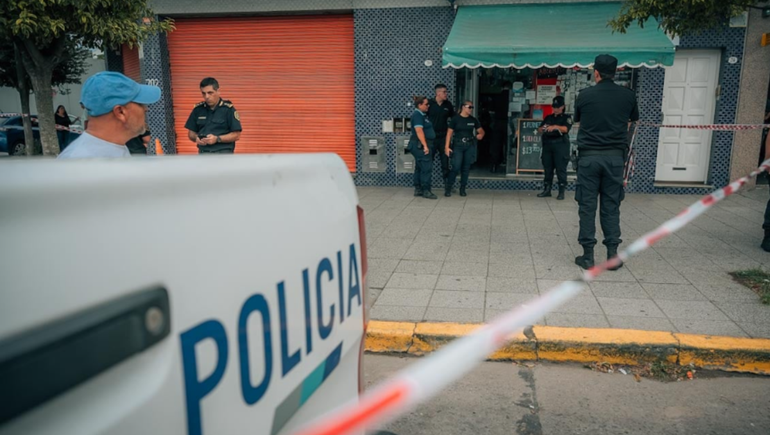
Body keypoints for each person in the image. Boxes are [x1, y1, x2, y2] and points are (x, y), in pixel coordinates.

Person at [573, 54, 639, 270]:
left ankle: (588, 255)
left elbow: (578, 120)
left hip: (589, 158)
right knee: (611, 205)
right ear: (617, 71)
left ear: (596, 73)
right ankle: (612, 255)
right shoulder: (628, 96)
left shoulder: (584, 95)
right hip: (614, 158)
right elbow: (633, 120)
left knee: (587, 205)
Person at [58, 71, 160, 159]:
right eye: (140, 104)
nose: (146, 109)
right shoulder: (82, 162)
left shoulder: (110, 148)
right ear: (120, 112)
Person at [185, 77, 242, 154]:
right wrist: (196, 138)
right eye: (203, 93)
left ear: (218, 91)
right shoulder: (198, 110)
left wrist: (217, 139)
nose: (207, 97)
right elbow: (191, 133)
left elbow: (236, 135)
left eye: (210, 93)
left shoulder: (228, 110)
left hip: (223, 155)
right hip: (204, 154)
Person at [536, 96, 573, 200]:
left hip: (560, 145)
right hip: (548, 145)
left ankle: (561, 192)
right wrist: (544, 128)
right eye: (554, 107)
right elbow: (540, 128)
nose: (555, 109)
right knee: (548, 168)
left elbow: (566, 129)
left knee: (560, 169)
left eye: (557, 107)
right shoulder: (549, 117)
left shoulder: (567, 118)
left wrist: (555, 127)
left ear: (562, 107)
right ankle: (547, 190)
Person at [445, 101, 484, 197]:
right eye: (469, 107)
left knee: (466, 168)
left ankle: (463, 188)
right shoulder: (455, 119)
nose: (471, 109)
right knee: (456, 166)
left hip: (469, 145)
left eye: (472, 107)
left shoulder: (473, 120)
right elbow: (449, 134)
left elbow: (481, 131)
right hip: (458, 145)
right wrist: (447, 147)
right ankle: (449, 187)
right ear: (463, 107)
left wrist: (481, 135)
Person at [410, 96, 437, 199]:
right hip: (420, 145)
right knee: (426, 168)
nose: (428, 106)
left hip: (419, 145)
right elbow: (419, 131)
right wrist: (425, 146)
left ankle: (418, 189)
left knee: (419, 167)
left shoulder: (422, 115)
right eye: (426, 104)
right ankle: (426, 190)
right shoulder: (418, 115)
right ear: (419, 105)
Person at [428, 84, 455, 183]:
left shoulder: (448, 104)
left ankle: (447, 185)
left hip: (443, 137)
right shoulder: (429, 103)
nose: (446, 94)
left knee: (445, 161)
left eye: (446, 92)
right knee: (428, 160)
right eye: (444, 92)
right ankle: (426, 185)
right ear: (438, 93)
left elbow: (453, 118)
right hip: (432, 137)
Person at [490, 81, 511, 173]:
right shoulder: (511, 97)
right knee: (509, 143)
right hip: (509, 123)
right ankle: (509, 163)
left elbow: (491, 112)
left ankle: (494, 165)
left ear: (502, 88)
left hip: (498, 123)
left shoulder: (497, 97)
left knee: (496, 145)